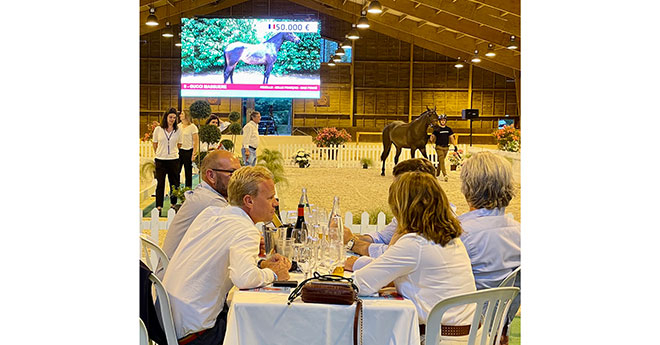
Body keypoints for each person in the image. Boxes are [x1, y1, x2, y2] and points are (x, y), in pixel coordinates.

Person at [163, 166, 291, 345]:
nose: (275, 203)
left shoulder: (211, 214)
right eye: (270, 197)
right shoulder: (245, 229)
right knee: (268, 330)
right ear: (249, 201)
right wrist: (276, 274)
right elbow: (244, 278)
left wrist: (262, 265)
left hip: (168, 320)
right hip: (196, 334)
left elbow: (219, 255)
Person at [352, 172, 477, 343]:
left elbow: (360, 284)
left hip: (437, 338)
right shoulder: (449, 238)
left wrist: (397, 237)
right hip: (471, 334)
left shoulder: (415, 243)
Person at [457, 151, 520, 345]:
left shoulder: (459, 234)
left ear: (468, 188)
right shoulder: (519, 233)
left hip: (459, 329)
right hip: (498, 327)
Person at [155, 150, 241, 279]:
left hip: (177, 278)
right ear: (211, 175)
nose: (239, 180)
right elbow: (238, 244)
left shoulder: (207, 195)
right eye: (232, 173)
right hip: (176, 285)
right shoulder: (211, 203)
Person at [343, 158, 438, 270]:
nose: (394, 193)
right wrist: (349, 237)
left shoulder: (429, 227)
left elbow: (389, 260)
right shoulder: (413, 216)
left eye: (398, 187)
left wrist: (353, 244)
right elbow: (382, 237)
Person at [153, 108, 182, 214]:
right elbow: (155, 143)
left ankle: (173, 204)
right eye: (170, 117)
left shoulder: (178, 130)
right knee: (160, 183)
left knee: (174, 183)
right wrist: (160, 153)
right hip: (160, 160)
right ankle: (159, 206)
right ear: (166, 117)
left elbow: (179, 144)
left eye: (174, 117)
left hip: (173, 160)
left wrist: (172, 153)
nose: (172, 119)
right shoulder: (158, 129)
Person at [430, 114, 458, 182]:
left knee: (440, 161)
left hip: (446, 148)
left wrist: (455, 145)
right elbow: (432, 136)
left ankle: (437, 173)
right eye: (441, 120)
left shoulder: (448, 129)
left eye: (444, 120)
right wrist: (431, 138)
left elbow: (451, 138)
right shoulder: (437, 129)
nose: (443, 121)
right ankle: (445, 175)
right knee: (442, 160)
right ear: (439, 121)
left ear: (445, 121)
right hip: (439, 147)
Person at [178, 110, 199, 188]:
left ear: (186, 116)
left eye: (182, 114)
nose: (180, 115)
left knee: (188, 172)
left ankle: (188, 189)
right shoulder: (178, 126)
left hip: (188, 151)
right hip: (179, 151)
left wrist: (194, 153)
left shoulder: (193, 127)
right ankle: (176, 188)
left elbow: (196, 141)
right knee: (177, 171)